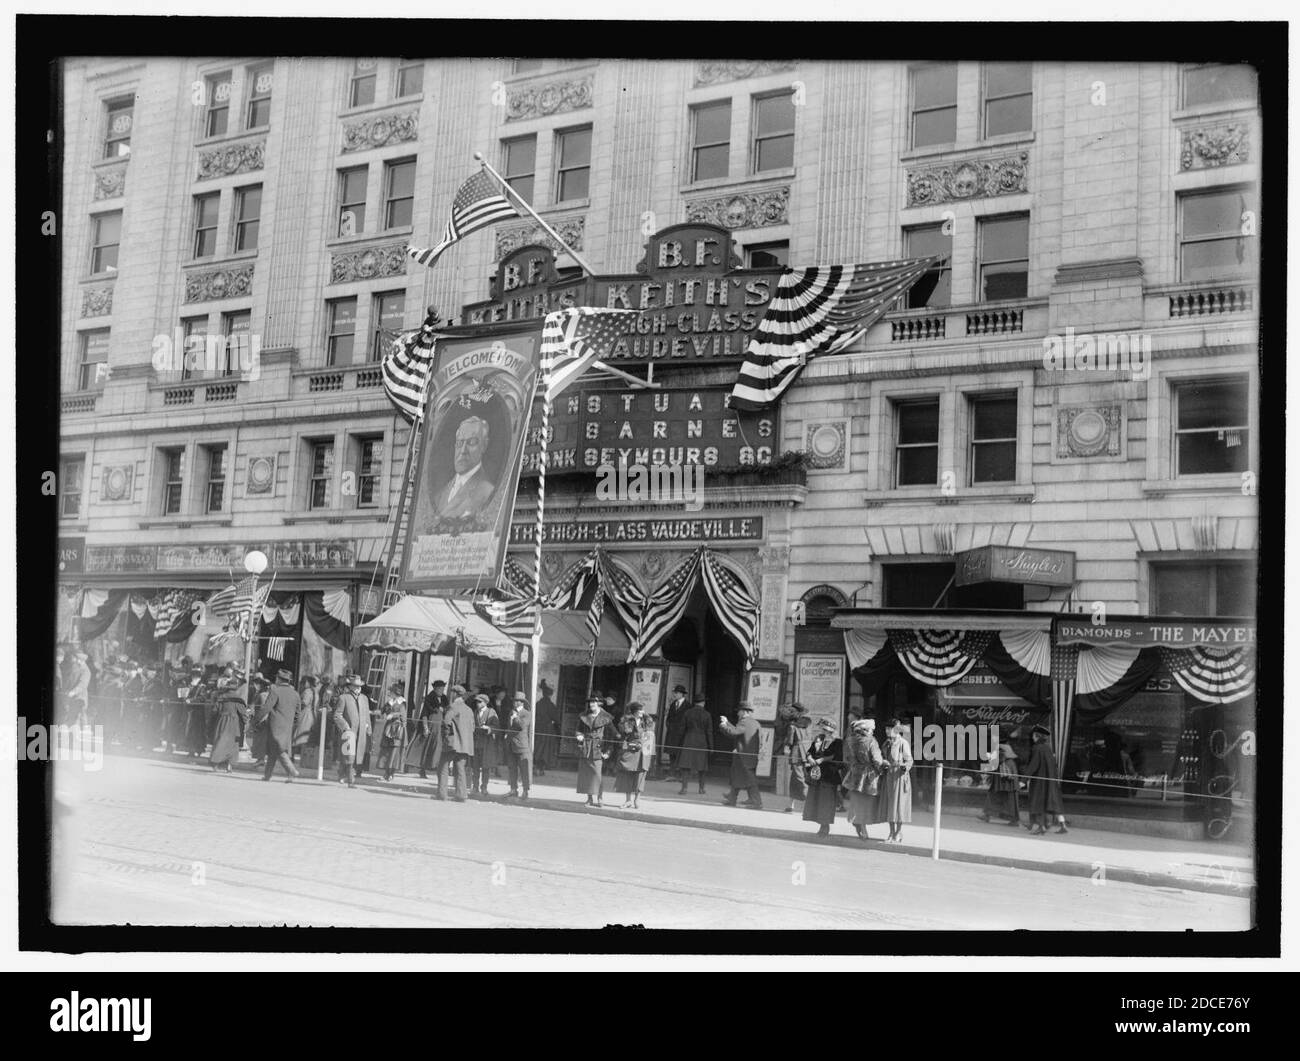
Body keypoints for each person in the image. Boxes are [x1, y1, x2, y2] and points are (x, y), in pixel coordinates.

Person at [430, 417, 497, 524]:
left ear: (484, 445)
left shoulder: (487, 492)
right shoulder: (440, 495)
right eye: (460, 443)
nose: (463, 451)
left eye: (471, 442)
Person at [842, 718, 884, 841]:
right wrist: (881, 769)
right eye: (871, 729)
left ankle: (858, 823)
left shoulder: (849, 740)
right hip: (869, 776)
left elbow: (846, 759)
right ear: (866, 730)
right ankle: (863, 827)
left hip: (854, 775)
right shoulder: (871, 741)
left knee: (856, 802)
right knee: (866, 803)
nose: (872, 732)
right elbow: (877, 760)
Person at [258, 669, 302, 782]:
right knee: (274, 750)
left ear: (279, 679)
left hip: (275, 726)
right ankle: (268, 775)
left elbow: (266, 707)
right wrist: (293, 724)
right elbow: (298, 714)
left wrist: (255, 720)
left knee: (279, 749)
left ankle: (292, 770)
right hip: (288, 726)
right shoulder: (295, 694)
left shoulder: (276, 691)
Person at [1022, 724, 1067, 835]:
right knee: (1054, 803)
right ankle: (1062, 825)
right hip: (1051, 781)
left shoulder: (1037, 748)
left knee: (1038, 802)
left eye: (1033, 735)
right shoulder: (1048, 748)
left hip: (1040, 781)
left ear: (1037, 736)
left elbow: (1033, 765)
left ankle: (1041, 827)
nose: (1032, 737)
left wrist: (1023, 780)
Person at [717, 702, 763, 809]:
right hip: (750, 756)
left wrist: (723, 726)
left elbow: (733, 733)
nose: (738, 713)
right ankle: (732, 798)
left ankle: (756, 801)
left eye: (739, 711)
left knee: (749, 779)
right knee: (738, 776)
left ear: (744, 711)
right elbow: (739, 731)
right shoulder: (755, 723)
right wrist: (727, 722)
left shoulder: (744, 722)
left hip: (742, 756)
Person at [802, 718, 843, 838]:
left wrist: (822, 759)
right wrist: (809, 757)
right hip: (817, 775)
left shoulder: (837, 742)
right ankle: (820, 825)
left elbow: (837, 757)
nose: (822, 730)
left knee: (826, 803)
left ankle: (825, 827)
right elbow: (810, 751)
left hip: (829, 776)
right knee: (817, 800)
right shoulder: (819, 738)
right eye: (822, 728)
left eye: (824, 728)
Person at [575, 696, 616, 807]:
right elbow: (578, 730)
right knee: (587, 774)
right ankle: (589, 798)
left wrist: (608, 751)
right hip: (586, 748)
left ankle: (600, 798)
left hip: (599, 749)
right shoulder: (584, 716)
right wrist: (579, 735)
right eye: (590, 702)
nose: (591, 704)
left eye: (594, 702)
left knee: (597, 775)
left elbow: (612, 735)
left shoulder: (606, 718)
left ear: (600, 704)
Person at [436, 684, 475, 801]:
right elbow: (472, 728)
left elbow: (446, 722)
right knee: (460, 769)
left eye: (451, 692)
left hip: (452, 743)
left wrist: (446, 736)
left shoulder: (453, 706)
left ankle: (442, 794)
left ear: (454, 694)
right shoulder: (469, 709)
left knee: (443, 767)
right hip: (465, 745)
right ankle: (461, 795)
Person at [878, 719, 914, 843]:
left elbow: (909, 760)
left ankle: (898, 832)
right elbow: (881, 757)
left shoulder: (903, 743)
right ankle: (891, 832)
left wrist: (905, 766)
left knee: (899, 806)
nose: (887, 731)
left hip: (899, 777)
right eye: (886, 729)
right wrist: (883, 762)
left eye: (890, 728)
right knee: (889, 805)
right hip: (889, 776)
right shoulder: (886, 743)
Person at [614, 701, 654, 809]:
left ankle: (637, 799)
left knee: (640, 775)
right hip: (630, 750)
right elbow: (624, 733)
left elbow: (650, 734)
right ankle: (628, 800)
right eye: (640, 710)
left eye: (642, 710)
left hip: (643, 752)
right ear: (634, 711)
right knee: (628, 774)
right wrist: (627, 723)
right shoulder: (626, 721)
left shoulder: (647, 721)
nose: (642, 712)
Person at [333, 674, 370, 788]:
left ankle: (341, 774)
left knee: (354, 756)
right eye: (355, 686)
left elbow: (367, 715)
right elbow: (337, 715)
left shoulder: (364, 698)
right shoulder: (343, 698)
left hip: (362, 732)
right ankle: (351, 780)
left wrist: (369, 730)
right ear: (350, 686)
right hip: (349, 732)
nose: (358, 688)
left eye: (359, 686)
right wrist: (345, 727)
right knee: (349, 756)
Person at [979, 729, 1021, 825]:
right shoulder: (1006, 746)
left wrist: (989, 756)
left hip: (1005, 771)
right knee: (1004, 797)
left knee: (999, 795)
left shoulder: (1002, 746)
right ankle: (989, 815)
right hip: (1006, 770)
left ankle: (988, 815)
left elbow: (1000, 758)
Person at [675, 696, 714, 795]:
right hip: (702, 741)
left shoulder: (687, 713)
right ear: (703, 703)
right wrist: (711, 746)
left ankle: (684, 788)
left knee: (685, 766)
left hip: (688, 740)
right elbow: (709, 732)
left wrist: (679, 742)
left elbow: (681, 729)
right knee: (702, 767)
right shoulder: (707, 714)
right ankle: (701, 789)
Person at [209, 674, 245, 773]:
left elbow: (214, 710)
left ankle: (215, 765)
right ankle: (229, 765)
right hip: (234, 723)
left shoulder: (221, 697)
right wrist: (246, 723)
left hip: (222, 721)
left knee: (220, 742)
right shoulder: (239, 699)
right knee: (233, 744)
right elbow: (243, 713)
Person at [414, 679, 448, 778]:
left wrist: (444, 710)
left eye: (443, 688)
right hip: (431, 727)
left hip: (440, 728)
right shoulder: (429, 699)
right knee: (427, 748)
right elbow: (424, 714)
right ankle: (422, 769)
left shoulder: (445, 698)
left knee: (438, 749)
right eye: (440, 688)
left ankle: (438, 769)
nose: (442, 690)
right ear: (435, 688)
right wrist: (425, 728)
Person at [782, 703, 812, 813]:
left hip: (797, 752)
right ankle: (791, 804)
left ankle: (809, 801)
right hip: (807, 751)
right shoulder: (808, 723)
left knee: (798, 778)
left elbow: (789, 741)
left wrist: (786, 748)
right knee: (799, 777)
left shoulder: (792, 726)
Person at [377, 682, 408, 782]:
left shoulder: (402, 703)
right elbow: (382, 711)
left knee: (394, 752)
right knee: (386, 751)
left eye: (391, 692)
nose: (389, 693)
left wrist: (393, 715)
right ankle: (387, 773)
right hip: (389, 729)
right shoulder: (390, 702)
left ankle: (390, 773)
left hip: (397, 730)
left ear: (395, 693)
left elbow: (402, 714)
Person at [470, 693, 500, 796]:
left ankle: (484, 787)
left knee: (486, 767)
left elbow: (497, 727)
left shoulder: (491, 712)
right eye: (477, 702)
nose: (477, 704)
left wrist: (489, 728)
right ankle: (475, 786)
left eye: (480, 702)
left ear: (485, 703)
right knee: (475, 767)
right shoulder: (475, 712)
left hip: (487, 744)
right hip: (476, 743)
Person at [505, 691, 533, 800]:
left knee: (524, 769)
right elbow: (509, 726)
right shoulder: (511, 712)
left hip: (522, 746)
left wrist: (516, 717)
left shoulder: (527, 713)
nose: (515, 703)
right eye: (514, 701)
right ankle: (513, 789)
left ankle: (525, 791)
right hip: (511, 744)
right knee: (512, 768)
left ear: (522, 703)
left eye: (517, 701)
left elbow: (522, 725)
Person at [533, 679, 559, 776]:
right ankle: (540, 768)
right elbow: (556, 719)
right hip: (547, 730)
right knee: (545, 750)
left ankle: (536, 767)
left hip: (537, 729)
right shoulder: (551, 706)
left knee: (537, 748)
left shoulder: (537, 704)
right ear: (550, 695)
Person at [662, 683, 690, 775]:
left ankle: (679, 773)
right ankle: (672, 772)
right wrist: (669, 726)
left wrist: (683, 730)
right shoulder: (673, 704)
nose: (675, 694)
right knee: (671, 752)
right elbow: (669, 718)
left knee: (680, 753)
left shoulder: (687, 705)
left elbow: (688, 720)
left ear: (682, 694)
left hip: (681, 734)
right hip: (672, 732)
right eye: (675, 693)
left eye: (677, 693)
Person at [293, 676, 318, 763]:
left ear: (308, 682)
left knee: (300, 734)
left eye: (304, 682)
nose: (303, 683)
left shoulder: (307, 691)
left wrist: (296, 705)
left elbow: (304, 703)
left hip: (306, 714)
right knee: (306, 735)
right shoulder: (315, 691)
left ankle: (297, 754)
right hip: (312, 714)